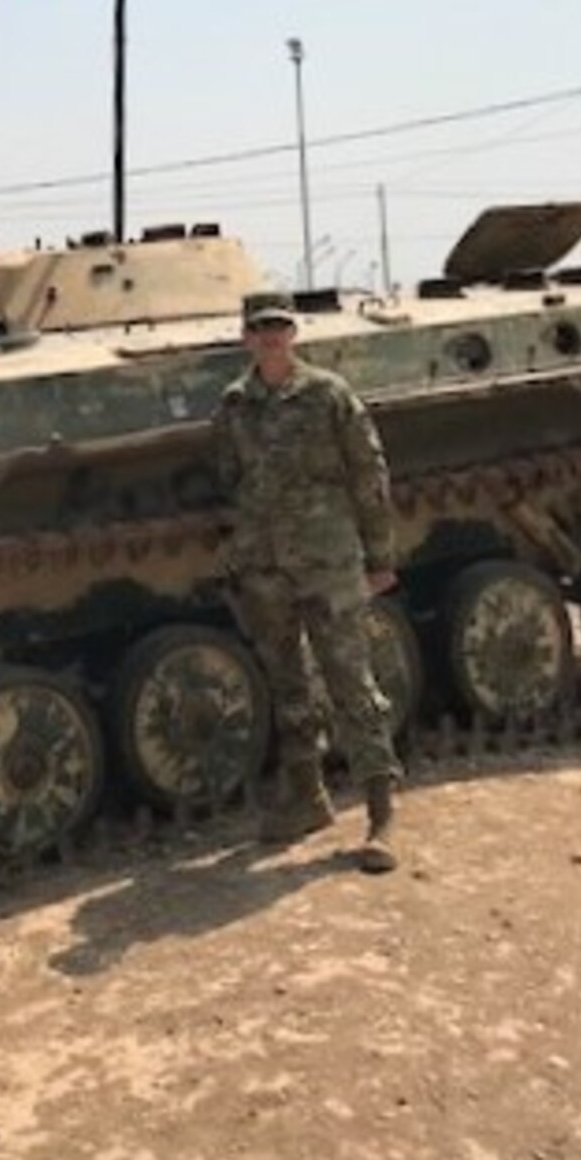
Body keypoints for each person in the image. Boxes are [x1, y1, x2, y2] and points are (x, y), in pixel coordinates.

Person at [211, 290, 402, 873]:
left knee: (350, 678)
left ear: (293, 334)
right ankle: (308, 798)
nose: (270, 337)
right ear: (246, 337)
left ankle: (381, 814)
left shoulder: (328, 395)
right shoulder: (235, 404)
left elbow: (369, 473)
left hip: (328, 561)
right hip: (266, 565)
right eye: (260, 328)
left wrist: (380, 554)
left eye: (279, 327)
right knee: (288, 681)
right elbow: (229, 480)